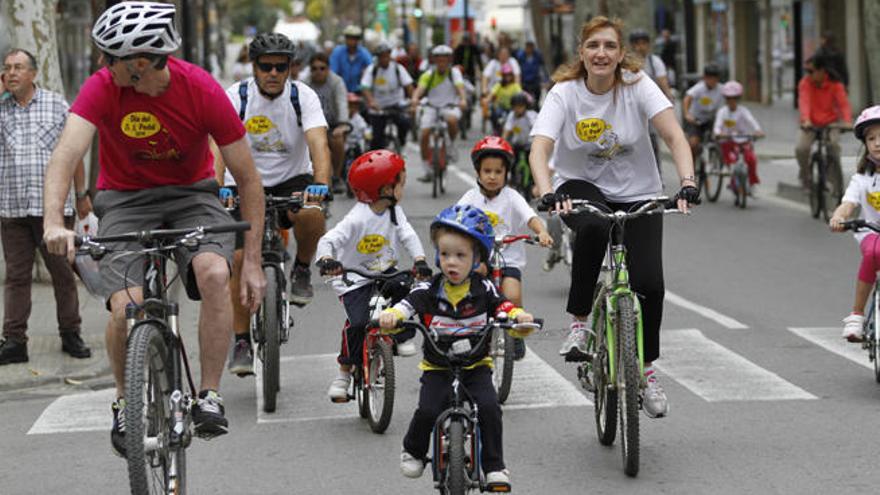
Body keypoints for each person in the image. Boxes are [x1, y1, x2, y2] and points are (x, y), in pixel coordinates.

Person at [41, 1, 266, 457]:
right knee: (128, 308)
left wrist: (254, 263)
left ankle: (209, 394)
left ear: (139, 64)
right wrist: (52, 222)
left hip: (193, 195)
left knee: (214, 274)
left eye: (110, 57)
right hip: (125, 199)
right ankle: (126, 402)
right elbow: (66, 155)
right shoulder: (103, 87)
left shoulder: (200, 90)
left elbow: (248, 178)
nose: (103, 65)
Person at [529, 16, 699, 419]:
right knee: (594, 226)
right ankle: (579, 324)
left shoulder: (638, 86)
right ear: (582, 54)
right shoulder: (564, 93)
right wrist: (546, 191)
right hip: (579, 188)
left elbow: (675, 136)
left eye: (609, 46)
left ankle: (646, 370)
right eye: (593, 46)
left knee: (649, 285)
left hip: (640, 192)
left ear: (622, 54)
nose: (601, 53)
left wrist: (688, 182)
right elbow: (540, 147)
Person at [379, 204, 534, 491]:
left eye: (461, 255)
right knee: (427, 409)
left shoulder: (483, 289)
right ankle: (412, 450)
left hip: (476, 366)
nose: (451, 262)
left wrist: (517, 316)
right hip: (438, 366)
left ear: (477, 259)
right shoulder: (429, 289)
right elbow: (408, 304)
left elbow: (504, 306)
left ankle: (495, 466)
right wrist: (393, 315)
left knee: (489, 409)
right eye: (445, 254)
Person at [219, 32, 331, 376]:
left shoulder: (303, 97)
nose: (272, 73)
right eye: (265, 66)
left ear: (289, 68)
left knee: (312, 215)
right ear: (253, 67)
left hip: (291, 180)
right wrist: (216, 185)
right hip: (242, 183)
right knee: (238, 259)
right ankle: (240, 340)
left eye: (280, 67)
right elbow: (216, 146)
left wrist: (321, 184)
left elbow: (319, 144)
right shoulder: (235, 97)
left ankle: (300, 268)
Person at [0, 48, 92, 365]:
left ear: (33, 73)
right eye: (7, 68)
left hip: (52, 210)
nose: (11, 73)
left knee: (63, 274)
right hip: (11, 207)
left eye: (18, 68)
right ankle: (14, 340)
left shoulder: (55, 105)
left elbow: (74, 152)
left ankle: (70, 333)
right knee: (16, 276)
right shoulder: (1, 108)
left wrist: (81, 194)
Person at [316, 150, 431, 401]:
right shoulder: (357, 218)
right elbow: (328, 240)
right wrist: (327, 259)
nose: (404, 186)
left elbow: (408, 235)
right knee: (357, 324)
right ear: (384, 188)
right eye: (400, 182)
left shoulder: (393, 211)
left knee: (407, 287)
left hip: (385, 271)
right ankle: (344, 373)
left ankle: (401, 336)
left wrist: (419, 261)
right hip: (353, 279)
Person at [457, 136, 551, 358]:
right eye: (487, 171)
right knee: (471, 295)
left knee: (512, 294)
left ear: (506, 173)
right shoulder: (470, 197)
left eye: (498, 172)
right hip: (479, 260)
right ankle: (471, 333)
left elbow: (530, 216)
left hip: (509, 259)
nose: (492, 176)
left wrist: (542, 232)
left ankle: (515, 334)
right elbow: (456, 218)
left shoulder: (512, 196)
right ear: (478, 173)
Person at [829, 106, 880, 341]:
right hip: (871, 232)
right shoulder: (861, 179)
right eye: (871, 138)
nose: (877, 143)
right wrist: (839, 217)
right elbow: (848, 203)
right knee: (873, 252)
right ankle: (857, 315)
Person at [795, 55, 853, 191]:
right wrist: (806, 120)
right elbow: (804, 102)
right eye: (806, 71)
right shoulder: (805, 83)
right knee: (801, 148)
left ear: (822, 71)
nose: (808, 75)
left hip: (830, 123)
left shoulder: (836, 84)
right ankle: (805, 176)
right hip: (810, 124)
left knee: (833, 147)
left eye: (811, 71)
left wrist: (847, 121)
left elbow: (843, 104)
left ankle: (833, 181)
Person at [411, 45, 468, 183]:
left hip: (450, 106)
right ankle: (426, 169)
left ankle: (451, 145)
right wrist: (414, 99)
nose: (442, 63)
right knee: (424, 134)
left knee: (452, 121)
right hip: (431, 107)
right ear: (434, 61)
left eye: (444, 60)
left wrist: (463, 99)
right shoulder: (428, 75)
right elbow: (420, 89)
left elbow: (460, 88)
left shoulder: (454, 73)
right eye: (439, 60)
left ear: (449, 61)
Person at [304, 52, 351, 194]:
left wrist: (343, 124)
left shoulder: (337, 82)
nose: (318, 72)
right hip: (312, 126)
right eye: (314, 68)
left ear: (328, 69)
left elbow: (342, 103)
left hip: (333, 124)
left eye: (322, 68)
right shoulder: (304, 84)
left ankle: (336, 177)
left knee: (337, 139)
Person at [361, 41, 414, 151]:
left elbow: (408, 85)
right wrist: (371, 101)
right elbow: (365, 88)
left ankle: (401, 144)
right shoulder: (372, 70)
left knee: (405, 123)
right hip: (378, 108)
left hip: (396, 104)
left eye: (386, 56)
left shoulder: (398, 68)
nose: (384, 59)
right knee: (377, 139)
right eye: (381, 57)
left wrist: (412, 100)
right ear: (377, 58)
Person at [713, 80, 764, 191]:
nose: (732, 101)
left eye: (734, 98)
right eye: (728, 98)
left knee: (751, 159)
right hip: (728, 141)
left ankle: (751, 183)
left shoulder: (743, 111)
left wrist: (758, 131)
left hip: (743, 141)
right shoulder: (722, 112)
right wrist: (718, 133)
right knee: (731, 160)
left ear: (738, 98)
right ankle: (731, 177)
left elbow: (752, 122)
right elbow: (717, 125)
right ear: (725, 99)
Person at [682, 63, 724, 164]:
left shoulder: (721, 89)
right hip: (696, 119)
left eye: (715, 78)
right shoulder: (699, 88)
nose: (712, 81)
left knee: (720, 138)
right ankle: (691, 165)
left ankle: (717, 162)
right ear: (705, 78)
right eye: (710, 78)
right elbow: (687, 99)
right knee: (694, 143)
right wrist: (687, 113)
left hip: (711, 119)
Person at [328, 25, 373, 94]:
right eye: (349, 38)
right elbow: (332, 72)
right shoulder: (338, 52)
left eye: (355, 38)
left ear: (358, 40)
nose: (352, 41)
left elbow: (371, 69)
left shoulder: (364, 53)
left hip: (359, 91)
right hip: (340, 90)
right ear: (345, 39)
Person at [514, 40, 548, 105]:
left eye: (531, 47)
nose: (529, 49)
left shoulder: (537, 55)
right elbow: (517, 69)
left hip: (535, 80)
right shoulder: (520, 56)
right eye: (528, 47)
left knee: (537, 98)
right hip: (525, 81)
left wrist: (545, 80)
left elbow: (542, 68)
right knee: (526, 99)